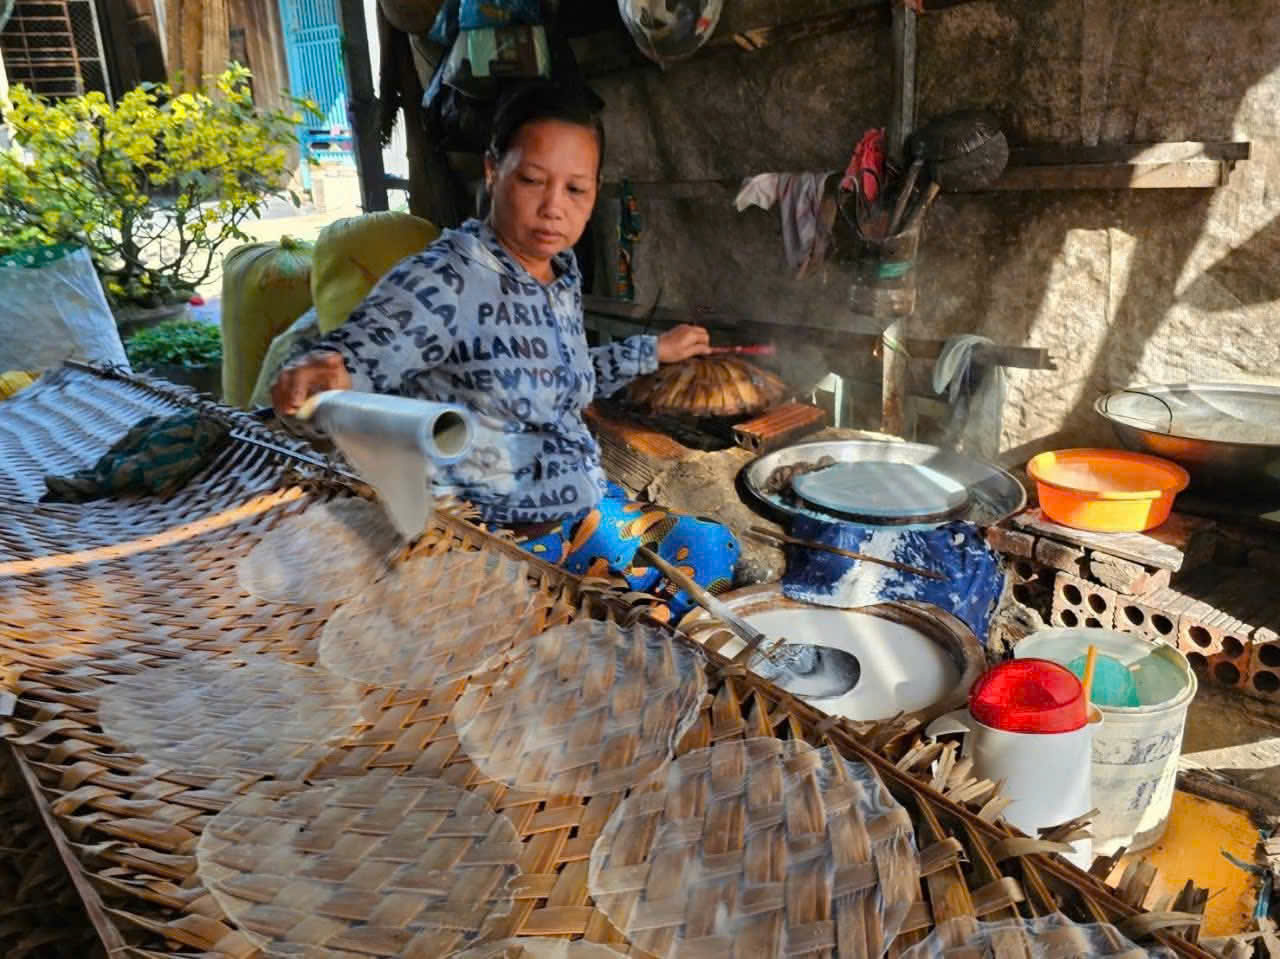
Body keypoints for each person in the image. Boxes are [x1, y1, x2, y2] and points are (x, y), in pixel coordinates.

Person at [272, 80, 739, 620]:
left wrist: (654, 351)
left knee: (712, 548)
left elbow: (561, 379)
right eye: (533, 180)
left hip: (578, 505)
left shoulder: (557, 274)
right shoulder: (447, 280)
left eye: (576, 189)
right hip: (497, 540)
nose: (553, 208)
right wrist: (326, 376)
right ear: (493, 170)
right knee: (638, 626)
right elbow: (360, 356)